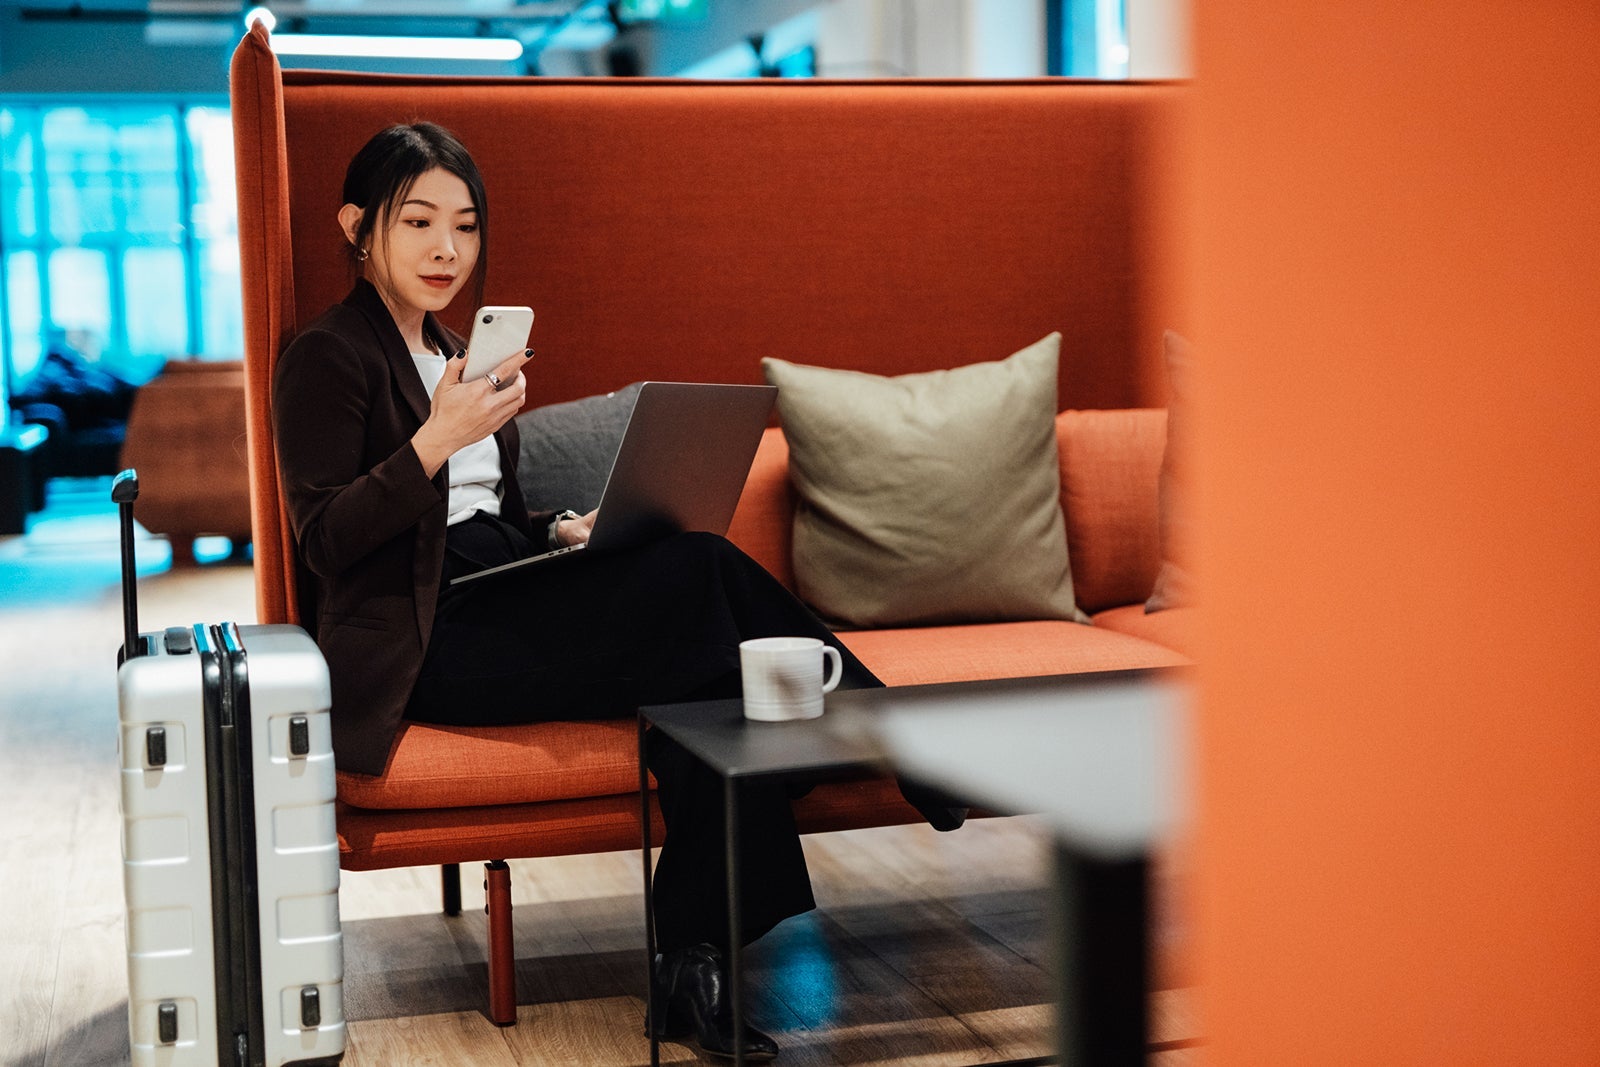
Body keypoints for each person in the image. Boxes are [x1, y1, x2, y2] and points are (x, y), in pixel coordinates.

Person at [272, 122, 962, 1063]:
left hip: (497, 588)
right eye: (418, 222)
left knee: (707, 680)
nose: (446, 249)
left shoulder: (453, 351)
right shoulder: (328, 354)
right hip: (425, 640)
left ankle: (695, 962)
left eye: (466, 227)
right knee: (701, 571)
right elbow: (325, 539)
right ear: (358, 227)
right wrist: (436, 437)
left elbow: (485, 514)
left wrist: (562, 533)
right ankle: (885, 735)